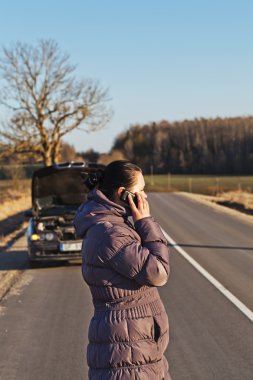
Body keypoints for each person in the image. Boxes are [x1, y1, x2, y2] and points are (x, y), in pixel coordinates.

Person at [74, 160, 172, 380]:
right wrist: (145, 221)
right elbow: (158, 272)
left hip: (135, 347)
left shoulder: (114, 224)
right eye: (140, 191)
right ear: (122, 193)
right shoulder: (111, 233)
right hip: (128, 350)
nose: (145, 198)